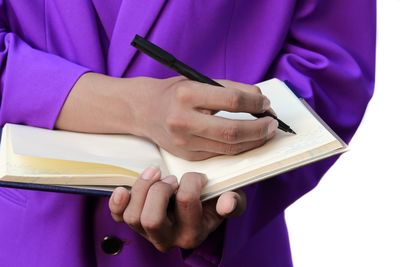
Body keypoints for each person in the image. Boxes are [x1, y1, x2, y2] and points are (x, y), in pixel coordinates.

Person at [0, 1, 375, 266]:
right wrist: (135, 106)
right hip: (25, 242)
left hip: (225, 240)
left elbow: (331, 68)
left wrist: (239, 184)